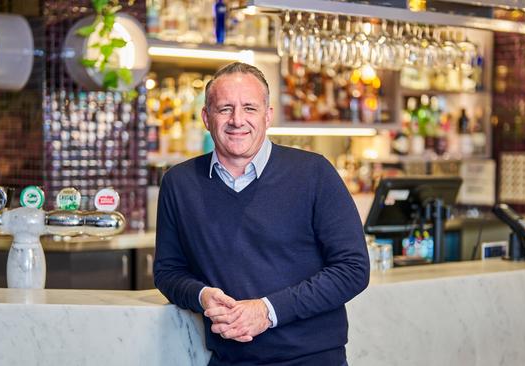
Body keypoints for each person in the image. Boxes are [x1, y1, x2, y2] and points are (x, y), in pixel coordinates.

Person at [154, 62, 370, 366]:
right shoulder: (179, 183)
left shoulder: (313, 172)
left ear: (268, 116)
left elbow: (353, 269)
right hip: (229, 359)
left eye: (249, 108)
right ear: (206, 117)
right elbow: (167, 271)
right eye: (225, 108)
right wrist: (201, 296)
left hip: (312, 359)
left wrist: (267, 311)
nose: (237, 120)